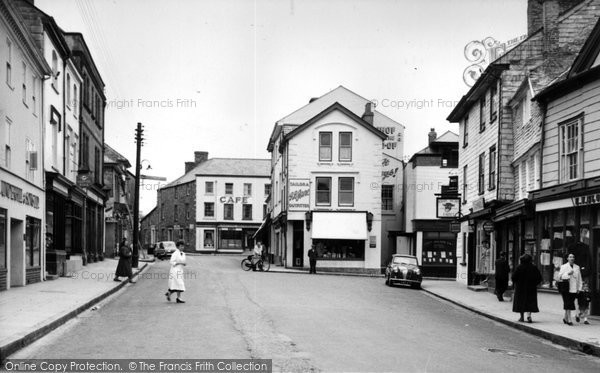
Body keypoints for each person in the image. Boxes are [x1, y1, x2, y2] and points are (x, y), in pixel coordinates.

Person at [511, 253, 542, 323]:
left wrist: (517, 283)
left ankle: (521, 317)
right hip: (531, 288)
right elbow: (539, 278)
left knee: (521, 302)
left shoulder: (519, 267)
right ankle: (529, 315)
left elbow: (513, 277)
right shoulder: (534, 267)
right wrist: (535, 284)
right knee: (529, 302)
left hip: (520, 288)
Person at [558, 253, 583, 325]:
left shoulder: (577, 267)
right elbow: (559, 277)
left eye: (573, 257)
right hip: (566, 288)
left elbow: (579, 278)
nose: (572, 258)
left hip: (574, 289)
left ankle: (565, 318)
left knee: (569, 303)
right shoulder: (563, 266)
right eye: (570, 257)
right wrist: (568, 274)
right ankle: (569, 319)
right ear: (567, 258)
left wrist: (579, 288)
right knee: (568, 303)